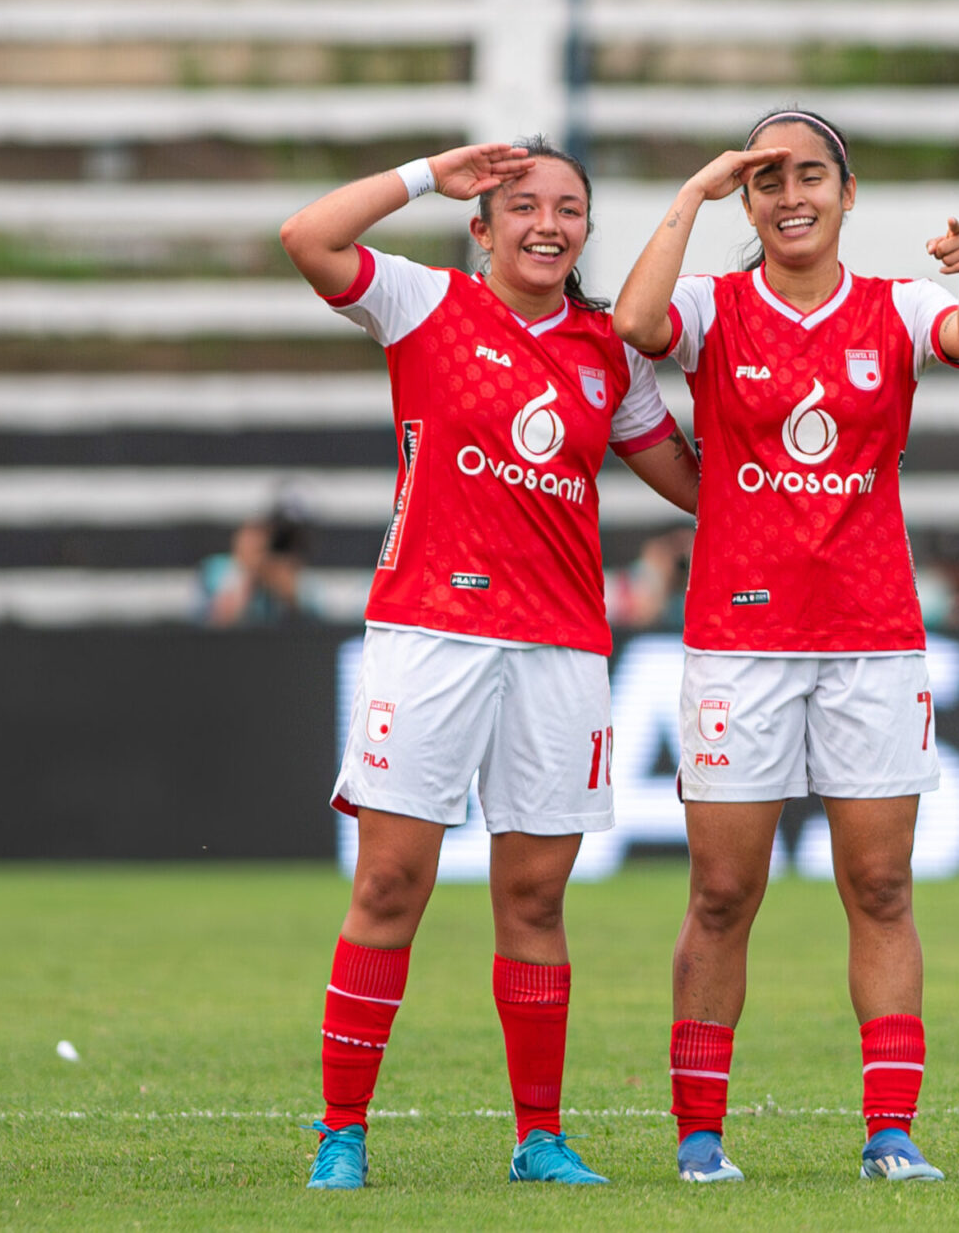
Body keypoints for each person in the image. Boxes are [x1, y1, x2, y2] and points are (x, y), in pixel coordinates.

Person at [278, 138, 700, 1190]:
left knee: (535, 898)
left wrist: (815, 458)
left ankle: (538, 1137)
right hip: (428, 632)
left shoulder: (612, 350)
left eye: (567, 207)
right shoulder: (424, 302)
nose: (546, 223)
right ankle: (342, 1131)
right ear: (483, 224)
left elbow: (692, 484)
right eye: (522, 206)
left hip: (560, 644)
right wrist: (427, 171)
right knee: (388, 882)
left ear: (587, 229)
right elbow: (308, 236)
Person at [613, 109, 959, 1184]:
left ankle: (889, 1135)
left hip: (872, 641)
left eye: (810, 175)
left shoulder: (896, 306)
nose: (790, 195)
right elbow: (635, 325)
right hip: (739, 641)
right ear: (746, 198)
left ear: (845, 190)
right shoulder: (712, 304)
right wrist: (690, 196)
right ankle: (700, 1140)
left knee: (879, 887)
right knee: (721, 894)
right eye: (766, 179)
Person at [198, 499, 319, 626]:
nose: (262, 543)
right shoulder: (215, 569)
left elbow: (316, 625)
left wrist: (288, 593)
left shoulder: (299, 578)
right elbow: (217, 622)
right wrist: (248, 572)